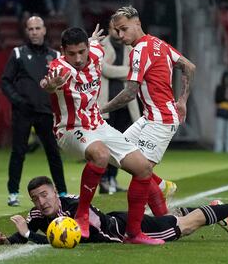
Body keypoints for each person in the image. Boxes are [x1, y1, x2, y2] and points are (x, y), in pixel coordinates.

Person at [39, 26, 168, 245]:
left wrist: (93, 40)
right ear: (63, 51)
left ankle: (134, 234)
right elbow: (47, 82)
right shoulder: (59, 67)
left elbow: (95, 44)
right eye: (71, 53)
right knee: (100, 154)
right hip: (69, 129)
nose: (78, 58)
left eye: (82, 51)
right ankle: (81, 215)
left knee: (143, 168)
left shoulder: (97, 51)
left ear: (88, 48)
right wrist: (49, 86)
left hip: (98, 125)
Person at [101, 6, 196, 206]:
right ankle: (162, 187)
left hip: (161, 120)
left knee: (140, 172)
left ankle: (155, 217)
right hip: (149, 118)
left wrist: (100, 110)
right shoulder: (159, 44)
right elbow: (189, 66)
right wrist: (182, 101)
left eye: (124, 29)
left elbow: (129, 93)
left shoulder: (139, 51)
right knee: (114, 154)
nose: (119, 35)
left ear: (138, 23)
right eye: (117, 30)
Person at [0, 176, 228, 245]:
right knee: (171, 218)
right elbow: (30, 229)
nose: (41, 202)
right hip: (119, 221)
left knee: (183, 226)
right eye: (36, 198)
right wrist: (9, 240)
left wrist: (27, 237)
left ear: (54, 192)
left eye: (45, 194)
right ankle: (217, 209)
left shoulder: (73, 208)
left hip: (122, 230)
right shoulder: (39, 214)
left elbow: (78, 240)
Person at [1, 16, 68, 207]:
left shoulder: (55, 56)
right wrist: (18, 101)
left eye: (38, 28)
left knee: (53, 153)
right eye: (31, 29)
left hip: (46, 112)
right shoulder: (18, 53)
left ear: (44, 30)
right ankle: (13, 193)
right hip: (23, 112)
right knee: (18, 152)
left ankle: (62, 192)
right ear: (26, 31)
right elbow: (5, 81)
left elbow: (63, 83)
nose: (34, 32)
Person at [97, 20, 141, 194]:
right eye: (114, 29)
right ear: (109, 29)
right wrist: (128, 71)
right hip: (106, 104)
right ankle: (103, 179)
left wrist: (125, 71)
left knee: (121, 142)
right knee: (105, 144)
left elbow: (136, 70)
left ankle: (113, 179)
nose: (118, 32)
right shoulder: (101, 45)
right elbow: (103, 69)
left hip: (125, 103)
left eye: (120, 29)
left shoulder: (130, 47)